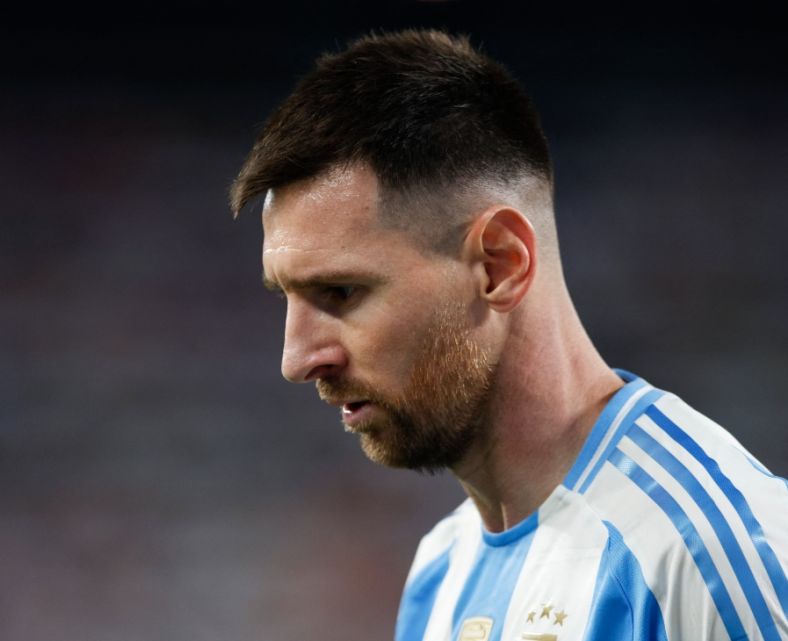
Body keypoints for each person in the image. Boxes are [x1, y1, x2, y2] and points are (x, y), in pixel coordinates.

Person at [229, 29, 788, 641]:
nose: (297, 358)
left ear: (500, 265)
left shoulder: (708, 554)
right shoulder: (441, 574)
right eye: (286, 296)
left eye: (340, 292)